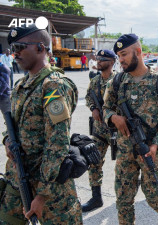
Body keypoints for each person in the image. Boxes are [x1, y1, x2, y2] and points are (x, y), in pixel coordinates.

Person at [0, 24, 82, 224]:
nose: (15, 53)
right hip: (17, 176)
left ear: (40, 47)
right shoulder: (21, 84)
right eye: (13, 49)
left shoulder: (54, 86)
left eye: (20, 47)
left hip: (48, 186)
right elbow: (13, 126)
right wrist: (7, 140)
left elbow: (57, 143)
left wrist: (42, 195)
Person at [103, 34, 158, 225]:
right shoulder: (117, 82)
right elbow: (105, 108)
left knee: (155, 197)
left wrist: (156, 145)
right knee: (123, 200)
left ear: (138, 52)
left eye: (124, 54)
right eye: (119, 55)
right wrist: (113, 117)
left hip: (151, 152)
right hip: (125, 152)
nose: (121, 60)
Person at [83, 49, 117, 212]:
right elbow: (89, 97)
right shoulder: (95, 80)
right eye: (98, 59)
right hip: (99, 131)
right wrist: (93, 108)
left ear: (111, 62)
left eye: (102, 59)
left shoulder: (119, 80)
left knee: (126, 164)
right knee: (94, 161)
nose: (98, 61)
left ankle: (126, 196)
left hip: (118, 131)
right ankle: (96, 198)